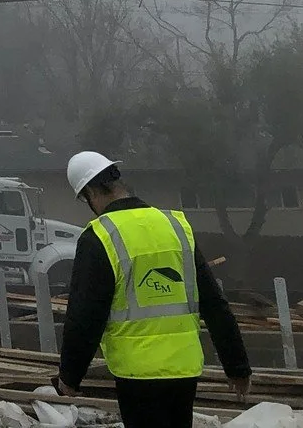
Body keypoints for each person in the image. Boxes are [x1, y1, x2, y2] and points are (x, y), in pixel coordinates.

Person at [56, 151, 250, 428]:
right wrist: (237, 367)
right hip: (184, 370)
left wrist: (70, 377)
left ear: (89, 193)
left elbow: (85, 315)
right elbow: (213, 302)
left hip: (137, 375)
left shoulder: (99, 235)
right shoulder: (175, 226)